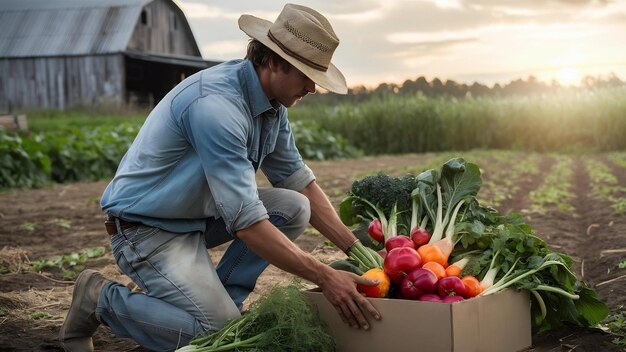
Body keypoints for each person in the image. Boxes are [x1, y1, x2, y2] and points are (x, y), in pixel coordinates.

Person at [58, 3, 381, 352]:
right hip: (147, 230)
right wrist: (324, 276)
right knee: (219, 339)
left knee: (294, 206)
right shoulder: (217, 107)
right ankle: (99, 299)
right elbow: (247, 223)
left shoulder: (272, 105)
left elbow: (296, 179)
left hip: (195, 217)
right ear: (273, 62)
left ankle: (216, 304)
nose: (313, 88)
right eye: (306, 75)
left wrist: (358, 250)